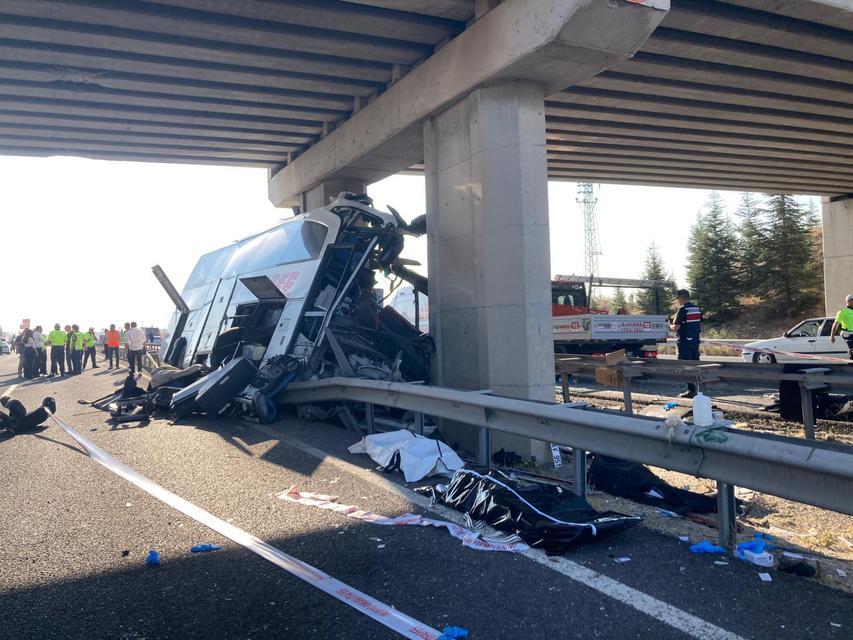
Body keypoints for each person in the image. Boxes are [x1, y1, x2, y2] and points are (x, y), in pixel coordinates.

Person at [670, 289, 702, 398]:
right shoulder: (696, 309)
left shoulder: (683, 310)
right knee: (696, 365)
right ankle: (700, 390)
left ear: (681, 298)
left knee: (686, 366)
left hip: (684, 342)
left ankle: (691, 391)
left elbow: (676, 327)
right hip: (695, 341)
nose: (678, 301)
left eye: (678, 299)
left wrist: (669, 325)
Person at [830, 293, 853, 359]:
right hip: (848, 333)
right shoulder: (843, 311)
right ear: (849, 301)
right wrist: (832, 336)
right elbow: (836, 323)